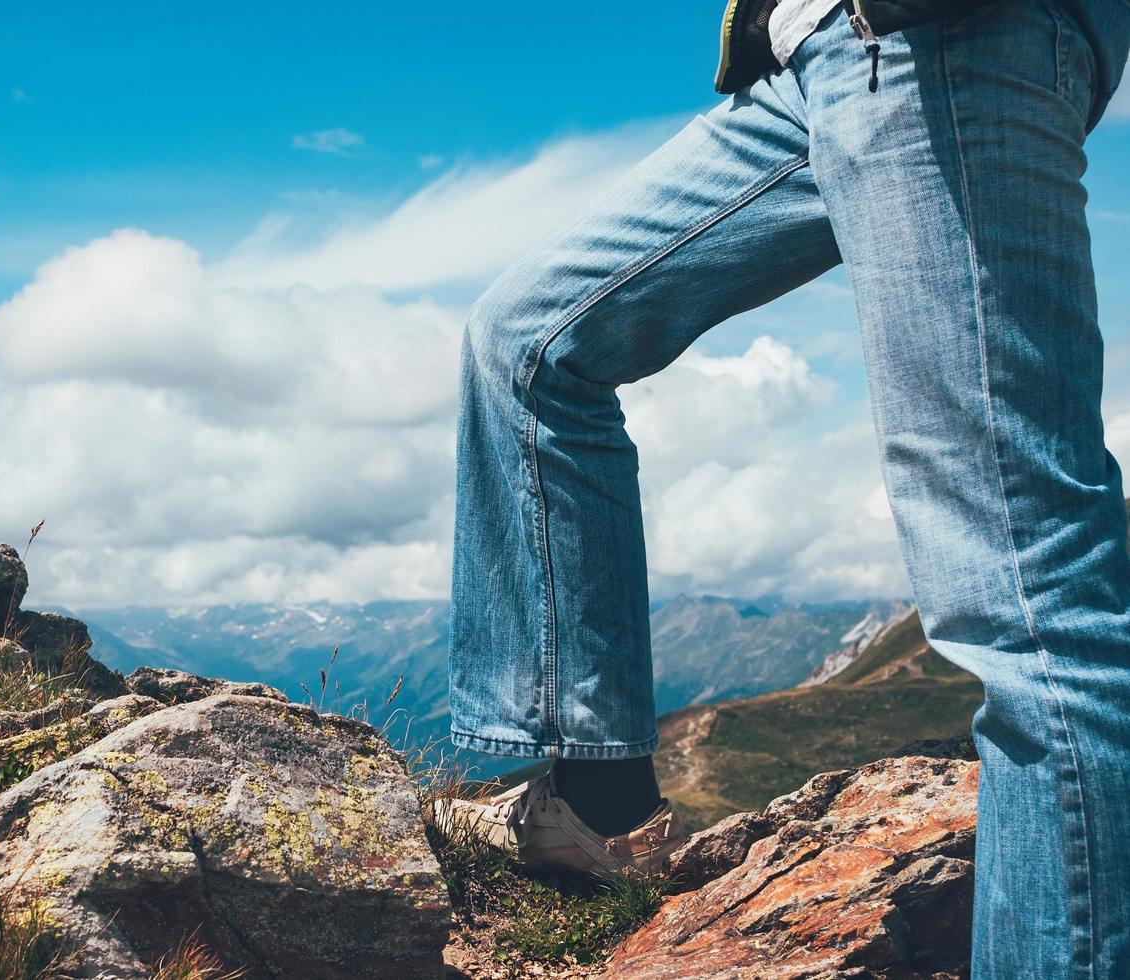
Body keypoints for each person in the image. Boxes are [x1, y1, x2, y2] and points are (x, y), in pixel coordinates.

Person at [439, 1, 1130, 975]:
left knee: (1025, 585)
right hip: (812, 57)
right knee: (529, 345)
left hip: (943, 40)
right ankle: (602, 811)